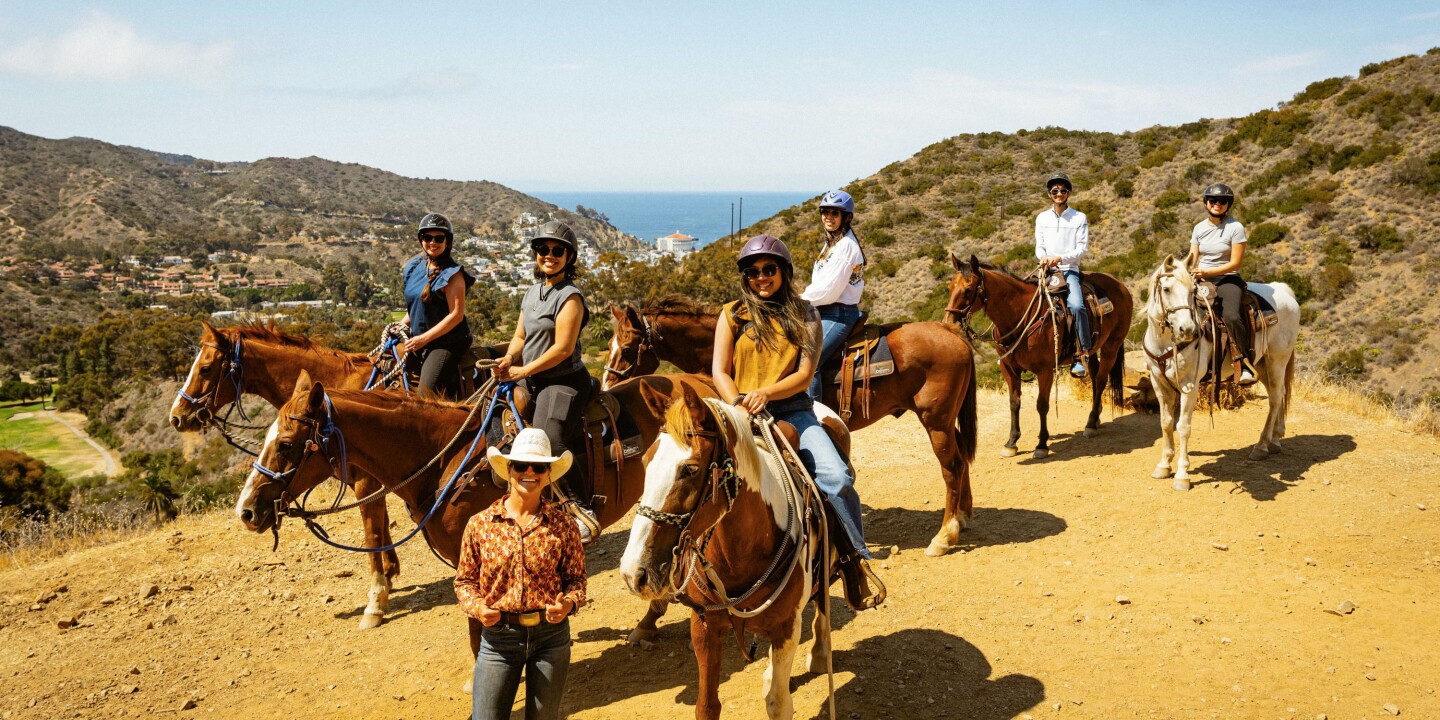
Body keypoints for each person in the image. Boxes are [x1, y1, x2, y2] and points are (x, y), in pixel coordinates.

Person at [712, 234, 883, 611]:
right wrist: (737, 402)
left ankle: (854, 561)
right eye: (753, 272)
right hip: (739, 412)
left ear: (784, 272)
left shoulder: (805, 314)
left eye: (768, 269)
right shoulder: (732, 314)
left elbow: (805, 374)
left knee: (837, 478)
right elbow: (720, 371)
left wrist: (766, 393)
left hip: (792, 411)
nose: (761, 277)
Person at [456, 428, 586, 720]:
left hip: (551, 637)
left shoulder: (564, 526)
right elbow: (464, 581)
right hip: (499, 639)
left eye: (538, 467)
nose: (529, 472)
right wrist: (478, 608)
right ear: (509, 470)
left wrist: (568, 604)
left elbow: (577, 580)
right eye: (521, 465)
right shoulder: (480, 525)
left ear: (548, 474)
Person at [494, 220, 598, 541]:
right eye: (543, 249)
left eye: (557, 251)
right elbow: (520, 336)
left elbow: (563, 348)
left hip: (563, 380)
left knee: (549, 440)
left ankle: (582, 509)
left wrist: (523, 371)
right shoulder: (531, 293)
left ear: (569, 257)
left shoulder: (570, 297)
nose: (549, 255)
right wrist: (509, 359)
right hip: (533, 378)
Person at [1187, 182, 1256, 385]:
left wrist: (1207, 272)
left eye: (1223, 200)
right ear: (1206, 202)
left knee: (1232, 316)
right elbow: (1193, 257)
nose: (1217, 203)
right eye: (1213, 200)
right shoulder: (1199, 228)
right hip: (1202, 278)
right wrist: (1182, 270)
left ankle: (1244, 363)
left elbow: (1235, 263)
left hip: (1228, 278)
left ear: (1228, 204)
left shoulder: (1235, 227)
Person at [801, 189, 866, 401]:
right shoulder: (832, 243)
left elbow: (828, 290)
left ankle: (812, 414)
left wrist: (796, 301)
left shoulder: (846, 246)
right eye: (825, 212)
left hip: (838, 314)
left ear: (846, 217)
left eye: (834, 213)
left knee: (809, 362)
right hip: (823, 310)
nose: (828, 217)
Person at [401, 212, 476, 397]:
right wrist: (399, 326)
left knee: (425, 395)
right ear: (421, 239)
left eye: (439, 238)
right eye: (428, 237)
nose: (432, 242)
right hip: (419, 340)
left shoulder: (453, 274)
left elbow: (456, 315)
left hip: (446, 343)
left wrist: (423, 339)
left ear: (447, 241)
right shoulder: (414, 267)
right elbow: (416, 308)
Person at [1034, 172, 1093, 379]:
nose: (1059, 194)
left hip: (1068, 270)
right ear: (1049, 194)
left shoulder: (1079, 217)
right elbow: (1039, 246)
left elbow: (1082, 249)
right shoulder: (1042, 218)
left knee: (1076, 306)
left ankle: (1082, 353)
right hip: (1046, 270)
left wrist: (1060, 258)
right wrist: (1043, 257)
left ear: (1069, 193)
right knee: (1025, 302)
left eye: (1063, 190)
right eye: (1055, 191)